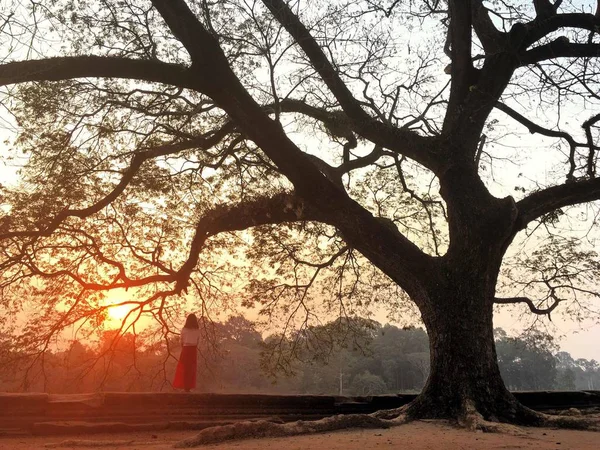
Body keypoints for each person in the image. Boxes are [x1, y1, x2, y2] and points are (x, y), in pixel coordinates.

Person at [173, 313, 201, 392]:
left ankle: (185, 386)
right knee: (191, 369)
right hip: (193, 350)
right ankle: (188, 387)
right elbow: (198, 341)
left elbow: (181, 341)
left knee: (184, 368)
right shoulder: (197, 330)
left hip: (185, 349)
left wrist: (184, 346)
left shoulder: (184, 330)